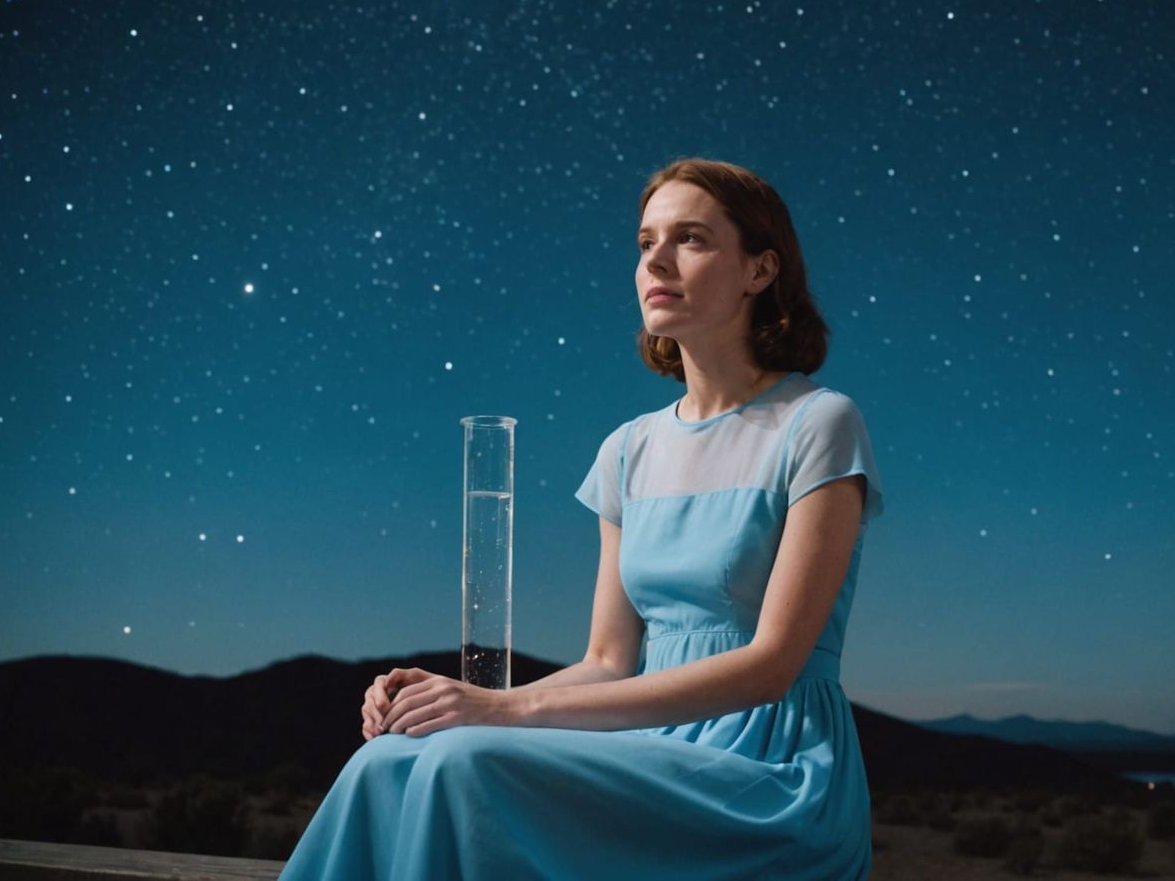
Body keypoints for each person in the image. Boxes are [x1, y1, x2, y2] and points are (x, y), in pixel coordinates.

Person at [277, 157, 884, 880]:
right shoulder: (628, 450)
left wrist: (499, 714)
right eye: (645, 242)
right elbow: (607, 663)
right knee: (388, 761)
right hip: (645, 745)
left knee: (463, 763)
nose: (656, 259)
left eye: (690, 238)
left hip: (772, 768)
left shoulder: (819, 423)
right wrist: (460, 702)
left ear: (760, 269)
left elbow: (770, 668)